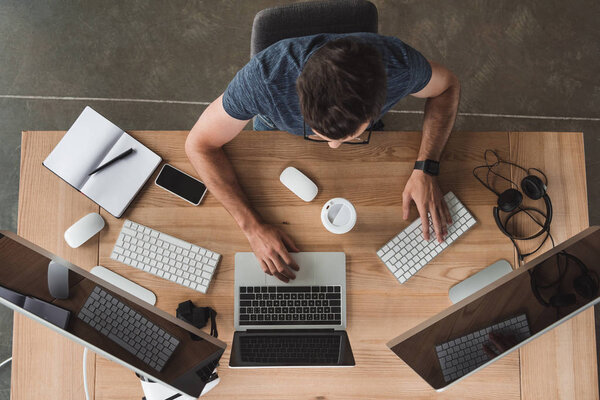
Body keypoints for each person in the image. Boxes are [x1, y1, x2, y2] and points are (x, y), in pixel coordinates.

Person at [185, 33, 460, 283]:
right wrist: (251, 227)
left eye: (349, 136)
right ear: (299, 96)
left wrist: (426, 167)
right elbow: (198, 144)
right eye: (320, 132)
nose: (333, 147)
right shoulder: (264, 81)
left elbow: (447, 86)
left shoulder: (400, 66)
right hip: (275, 139)